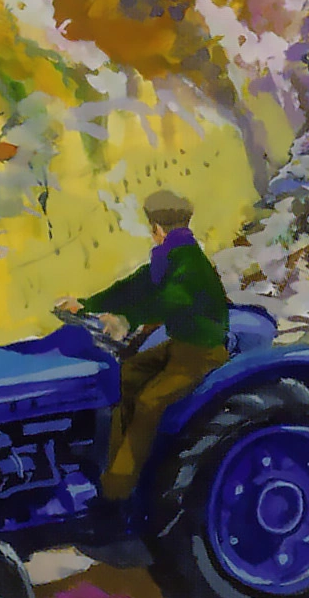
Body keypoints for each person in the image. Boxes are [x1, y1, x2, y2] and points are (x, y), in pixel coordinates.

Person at [58, 190, 229, 500]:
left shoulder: (189, 264)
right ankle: (106, 466)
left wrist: (128, 319)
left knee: (149, 403)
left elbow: (171, 300)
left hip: (202, 355)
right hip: (180, 349)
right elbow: (132, 288)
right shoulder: (168, 258)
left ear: (157, 229)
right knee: (123, 376)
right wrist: (86, 304)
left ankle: (118, 491)